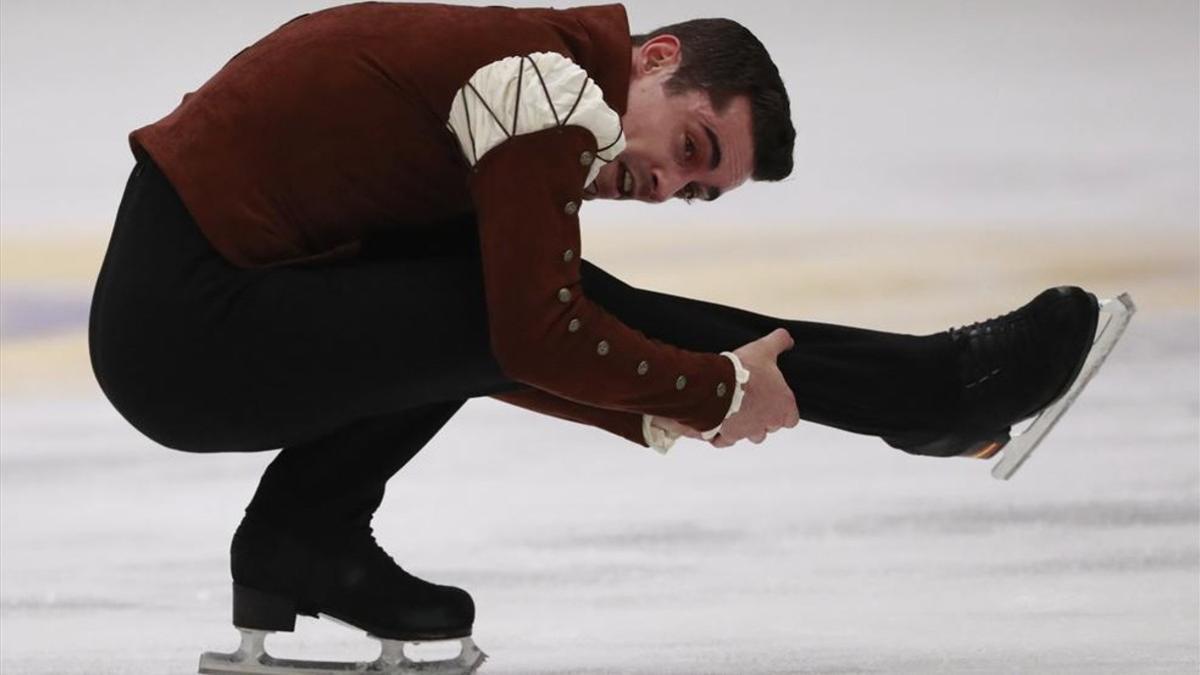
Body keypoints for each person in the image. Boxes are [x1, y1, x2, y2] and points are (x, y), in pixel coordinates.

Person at [87, 3, 1120, 671]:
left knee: (503, 289)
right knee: (517, 297)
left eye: (694, 191)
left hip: (207, 315)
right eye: (690, 145)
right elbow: (528, 335)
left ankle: (300, 542)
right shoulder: (538, 86)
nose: (666, 183)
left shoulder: (523, 81)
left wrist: (689, 393)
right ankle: (934, 394)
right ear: (656, 59)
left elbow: (501, 341)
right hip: (190, 329)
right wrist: (711, 393)